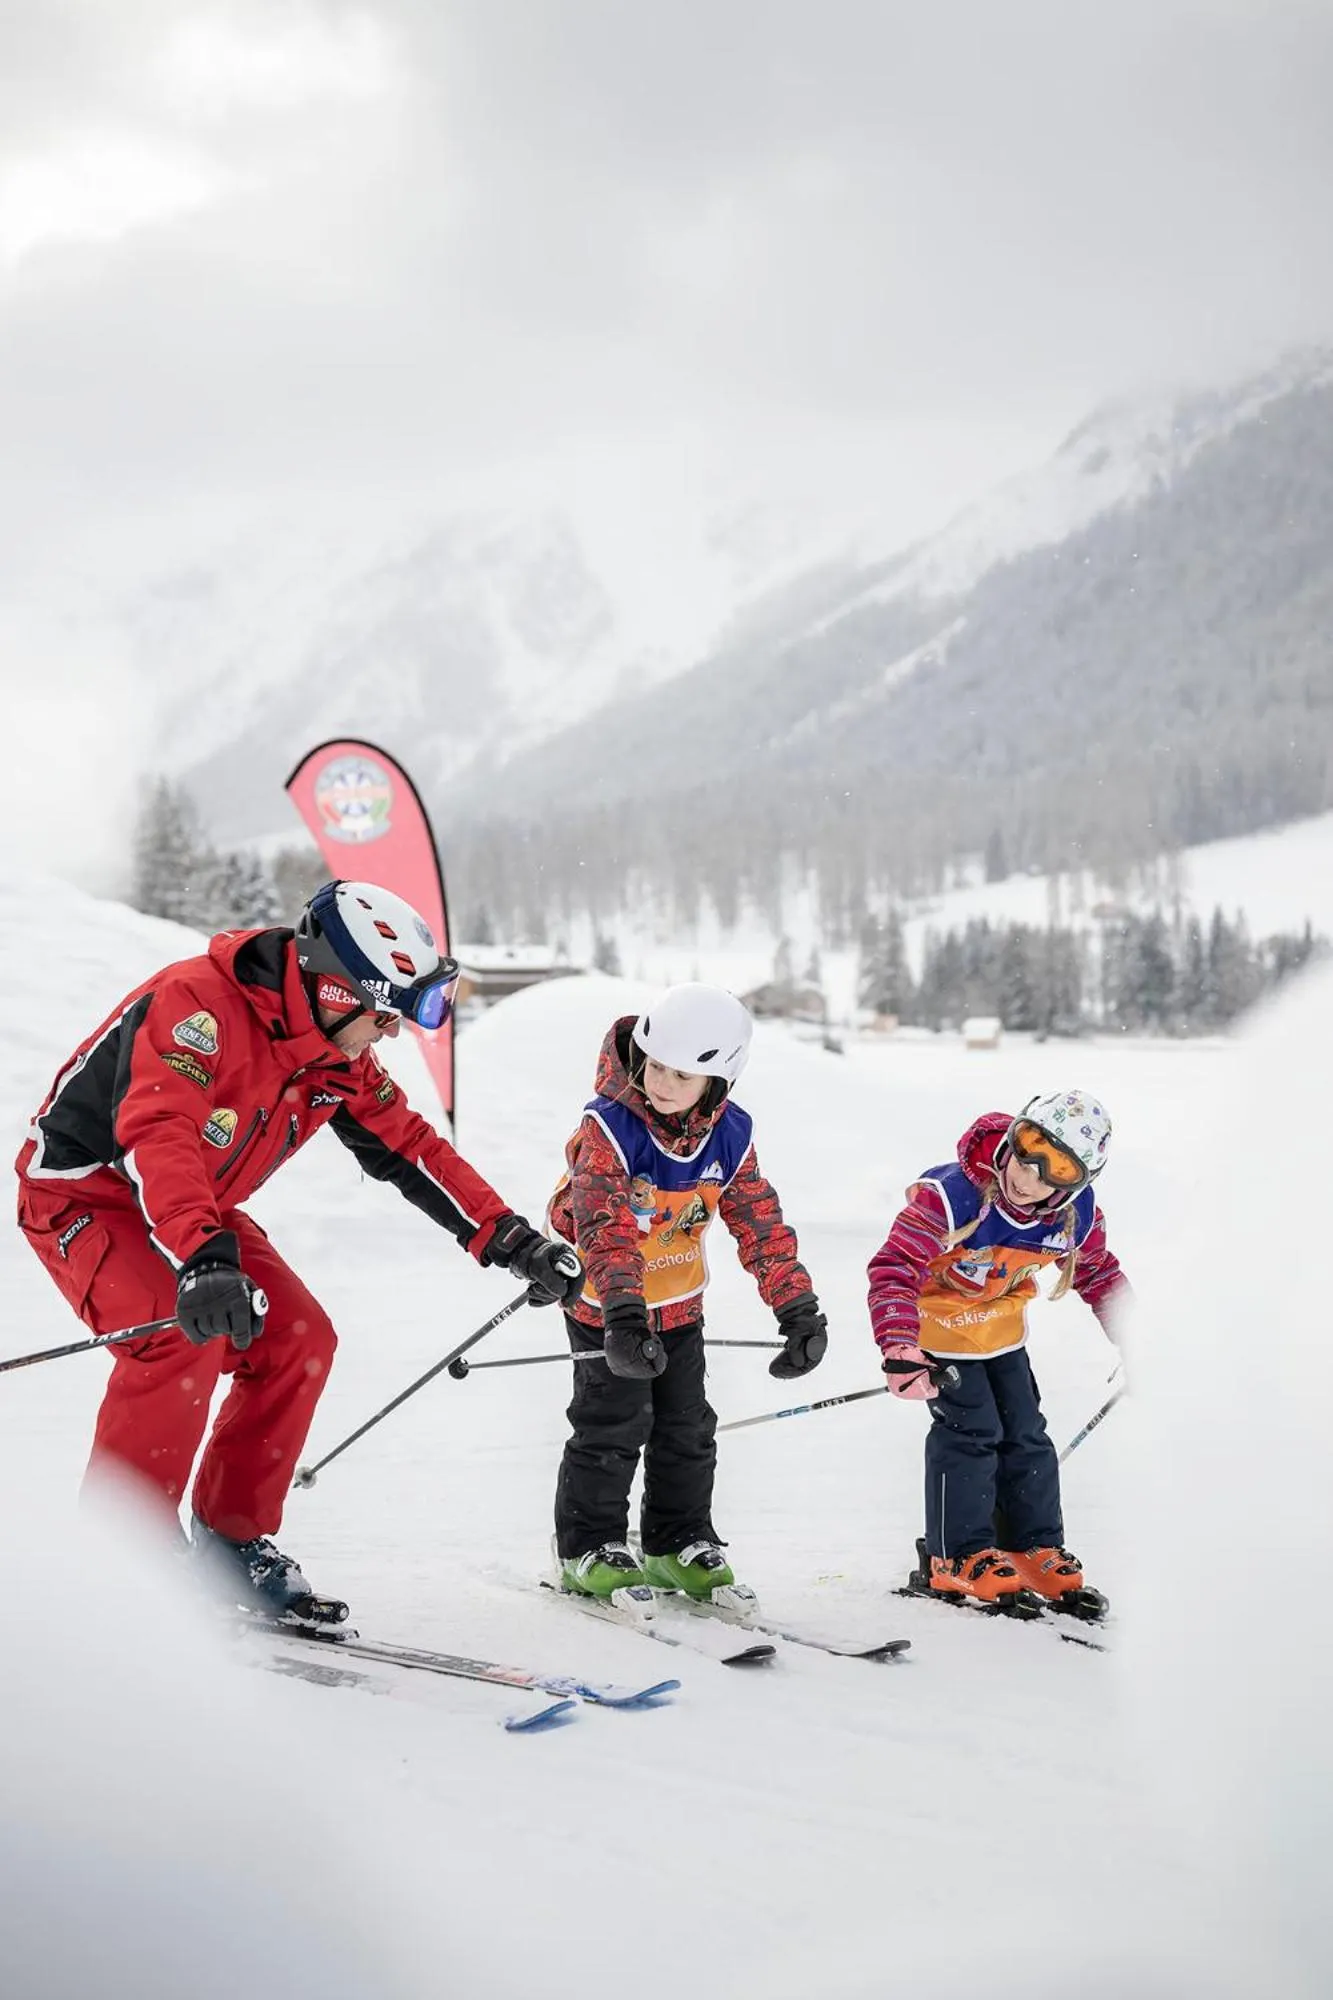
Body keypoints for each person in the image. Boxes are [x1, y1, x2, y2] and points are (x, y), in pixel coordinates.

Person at [15, 878, 583, 1618]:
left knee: (298, 1339)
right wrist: (204, 1257)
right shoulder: (196, 1008)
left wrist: (510, 1239)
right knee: (180, 1338)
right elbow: (161, 1134)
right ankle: (122, 1561)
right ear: (335, 990)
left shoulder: (332, 1054)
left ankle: (230, 1539)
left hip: (196, 1210)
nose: (389, 1036)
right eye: (384, 1016)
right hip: (83, 1192)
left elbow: (407, 1148)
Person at [546, 982, 828, 1609]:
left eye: (685, 1075)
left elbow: (759, 1220)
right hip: (607, 1308)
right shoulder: (609, 1130)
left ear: (717, 1082)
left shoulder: (729, 1136)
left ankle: (677, 1541)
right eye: (658, 1066)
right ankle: (589, 1546)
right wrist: (622, 1315)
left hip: (679, 1306)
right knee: (613, 1424)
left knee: (687, 1427)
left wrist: (797, 1308)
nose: (665, 1082)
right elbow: (604, 1224)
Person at [867, 1090, 1129, 1608]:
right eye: (1027, 1148)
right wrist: (899, 1346)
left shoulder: (1072, 1216)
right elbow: (893, 1266)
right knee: (972, 1430)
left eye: (1054, 1169)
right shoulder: (953, 1194)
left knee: (1026, 1432)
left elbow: (1099, 1273)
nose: (1027, 1176)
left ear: (1075, 1183)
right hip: (937, 1328)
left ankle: (1032, 1545)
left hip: (998, 1330)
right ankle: (956, 1555)